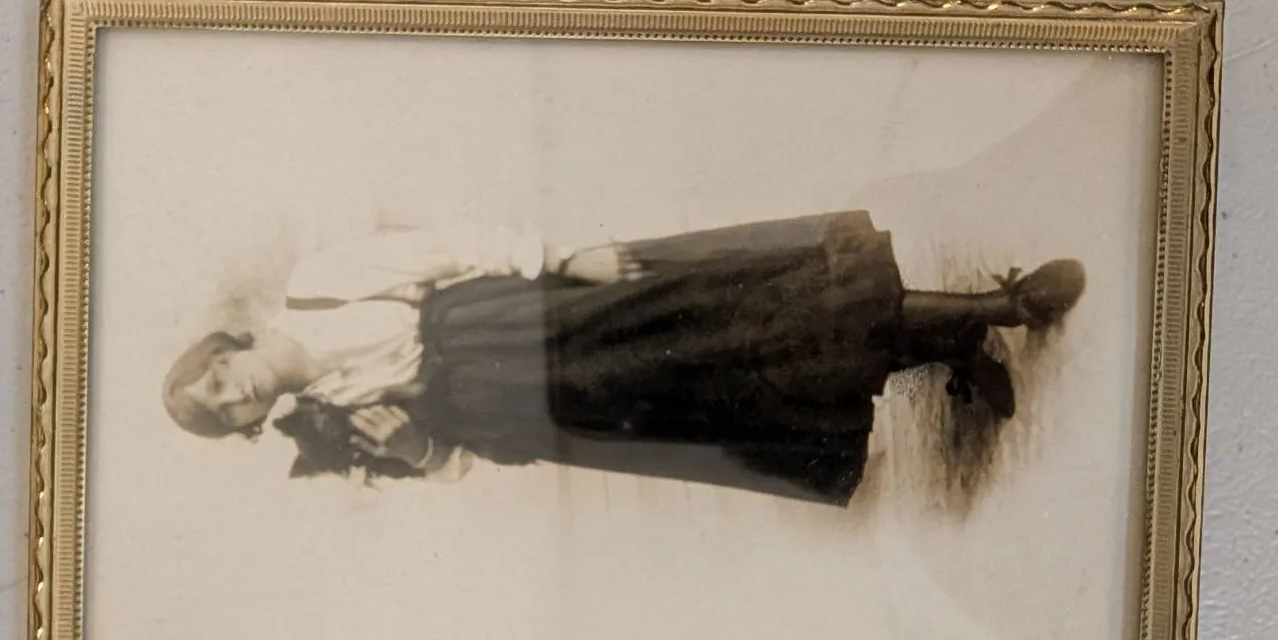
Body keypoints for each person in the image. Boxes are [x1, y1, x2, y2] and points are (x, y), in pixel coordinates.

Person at [162, 213, 1085, 505]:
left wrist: (563, 259)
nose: (231, 391)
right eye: (225, 408)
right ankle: (945, 343)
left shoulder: (319, 286)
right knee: (728, 388)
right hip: (551, 409)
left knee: (737, 317)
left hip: (541, 321)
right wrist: (414, 449)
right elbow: (452, 463)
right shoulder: (331, 429)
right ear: (248, 425)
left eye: (215, 376)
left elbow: (448, 249)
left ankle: (999, 307)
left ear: (226, 346)